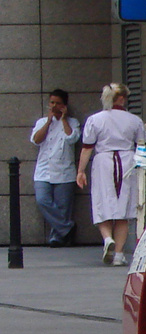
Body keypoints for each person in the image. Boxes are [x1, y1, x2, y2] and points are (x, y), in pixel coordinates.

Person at [77, 83, 146, 266]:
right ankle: (118, 254)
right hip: (126, 160)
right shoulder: (134, 120)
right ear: (122, 99)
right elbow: (141, 141)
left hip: (103, 161)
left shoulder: (95, 120)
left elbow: (87, 147)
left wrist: (80, 170)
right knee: (123, 208)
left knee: (102, 202)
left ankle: (107, 238)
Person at [30, 88, 80, 246]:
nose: (54, 106)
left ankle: (57, 238)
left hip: (64, 170)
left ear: (64, 105)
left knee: (63, 206)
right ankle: (68, 228)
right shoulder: (41, 122)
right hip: (43, 170)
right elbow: (36, 140)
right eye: (52, 102)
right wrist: (48, 121)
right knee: (42, 200)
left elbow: (72, 138)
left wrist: (63, 119)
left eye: (58, 103)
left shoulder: (73, 122)